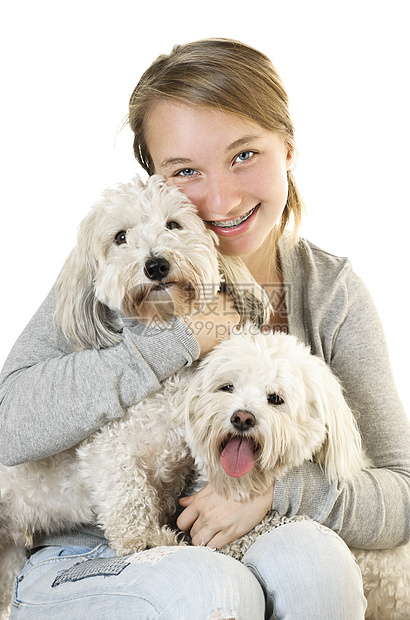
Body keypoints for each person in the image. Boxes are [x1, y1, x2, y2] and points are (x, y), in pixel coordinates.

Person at [1, 38, 409, 620]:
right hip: (86, 554)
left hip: (235, 543)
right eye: (187, 171)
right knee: (207, 592)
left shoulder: (329, 293)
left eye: (244, 155)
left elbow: (401, 492)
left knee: (317, 568)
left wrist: (277, 494)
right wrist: (180, 340)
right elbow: (7, 428)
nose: (221, 197)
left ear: (288, 147)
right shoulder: (113, 270)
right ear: (156, 179)